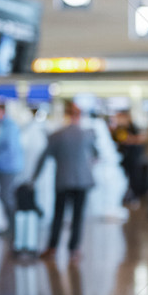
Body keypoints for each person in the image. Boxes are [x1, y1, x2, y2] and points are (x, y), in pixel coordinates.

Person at [35, 100, 96, 263]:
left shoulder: (57, 135)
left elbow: (43, 158)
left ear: (66, 115)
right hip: (83, 181)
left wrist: (33, 179)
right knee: (78, 216)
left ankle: (52, 247)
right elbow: (96, 155)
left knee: (58, 215)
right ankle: (74, 249)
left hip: (63, 180)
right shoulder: (88, 134)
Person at [0, 103, 24, 232]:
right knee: (3, 195)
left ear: (3, 112)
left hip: (9, 167)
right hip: (1, 167)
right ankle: (10, 226)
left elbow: (11, 149)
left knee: (6, 196)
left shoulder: (10, 127)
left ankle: (14, 227)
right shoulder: (0, 126)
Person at [111, 109, 147, 205]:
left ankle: (134, 196)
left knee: (134, 177)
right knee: (123, 178)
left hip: (133, 158)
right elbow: (122, 139)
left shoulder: (132, 127)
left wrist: (131, 139)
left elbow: (141, 138)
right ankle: (126, 195)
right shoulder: (119, 128)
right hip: (123, 158)